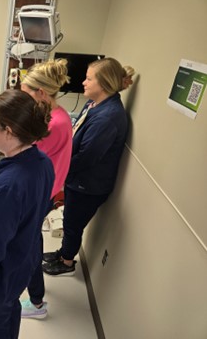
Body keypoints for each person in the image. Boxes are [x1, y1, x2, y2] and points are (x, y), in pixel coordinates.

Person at [0, 90, 55, 338]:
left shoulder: (8, 186)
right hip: (19, 262)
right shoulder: (42, 162)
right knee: (7, 311)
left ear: (10, 130)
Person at [42, 57, 135, 276]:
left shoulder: (108, 118)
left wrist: (59, 169)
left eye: (88, 78)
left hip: (89, 185)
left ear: (103, 84)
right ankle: (63, 252)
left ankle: (66, 263)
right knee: (69, 220)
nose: (83, 82)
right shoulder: (95, 104)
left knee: (73, 224)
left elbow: (87, 158)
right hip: (80, 179)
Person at [19, 59, 73, 319]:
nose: (22, 96)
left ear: (41, 93)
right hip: (46, 189)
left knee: (29, 245)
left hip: (41, 193)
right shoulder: (57, 114)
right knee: (32, 239)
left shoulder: (55, 124)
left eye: (26, 91)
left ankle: (37, 303)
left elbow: (24, 153)